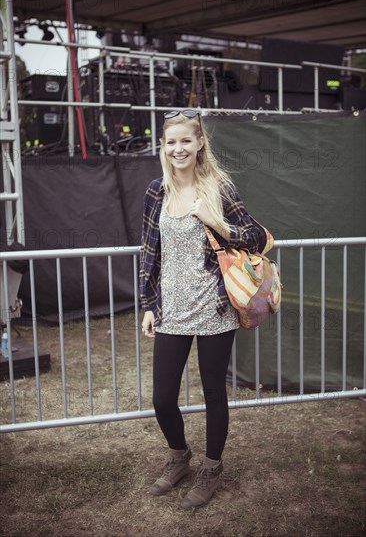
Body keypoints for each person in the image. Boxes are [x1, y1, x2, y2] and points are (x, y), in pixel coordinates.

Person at [139, 109, 262, 509]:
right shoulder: (156, 191)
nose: (179, 148)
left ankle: (211, 467)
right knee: (161, 398)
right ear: (163, 146)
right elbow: (148, 254)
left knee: (213, 393)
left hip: (214, 306)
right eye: (171, 142)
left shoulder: (219, 187)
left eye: (186, 141)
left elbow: (256, 238)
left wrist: (218, 222)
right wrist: (149, 304)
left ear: (199, 144)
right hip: (172, 309)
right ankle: (179, 456)